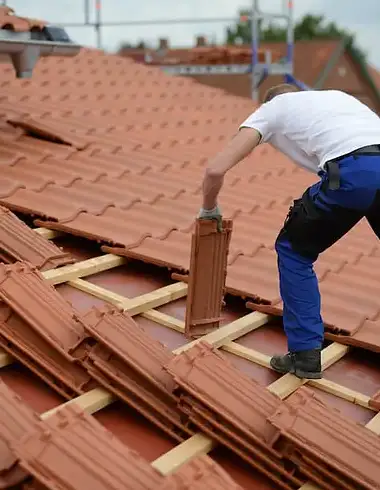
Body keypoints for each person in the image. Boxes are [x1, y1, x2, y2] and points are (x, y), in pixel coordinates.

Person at [198, 84, 380, 380]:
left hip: (353, 173)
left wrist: (208, 209)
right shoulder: (337, 97)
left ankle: (305, 354)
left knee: (294, 251)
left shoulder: (272, 109)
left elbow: (215, 170)